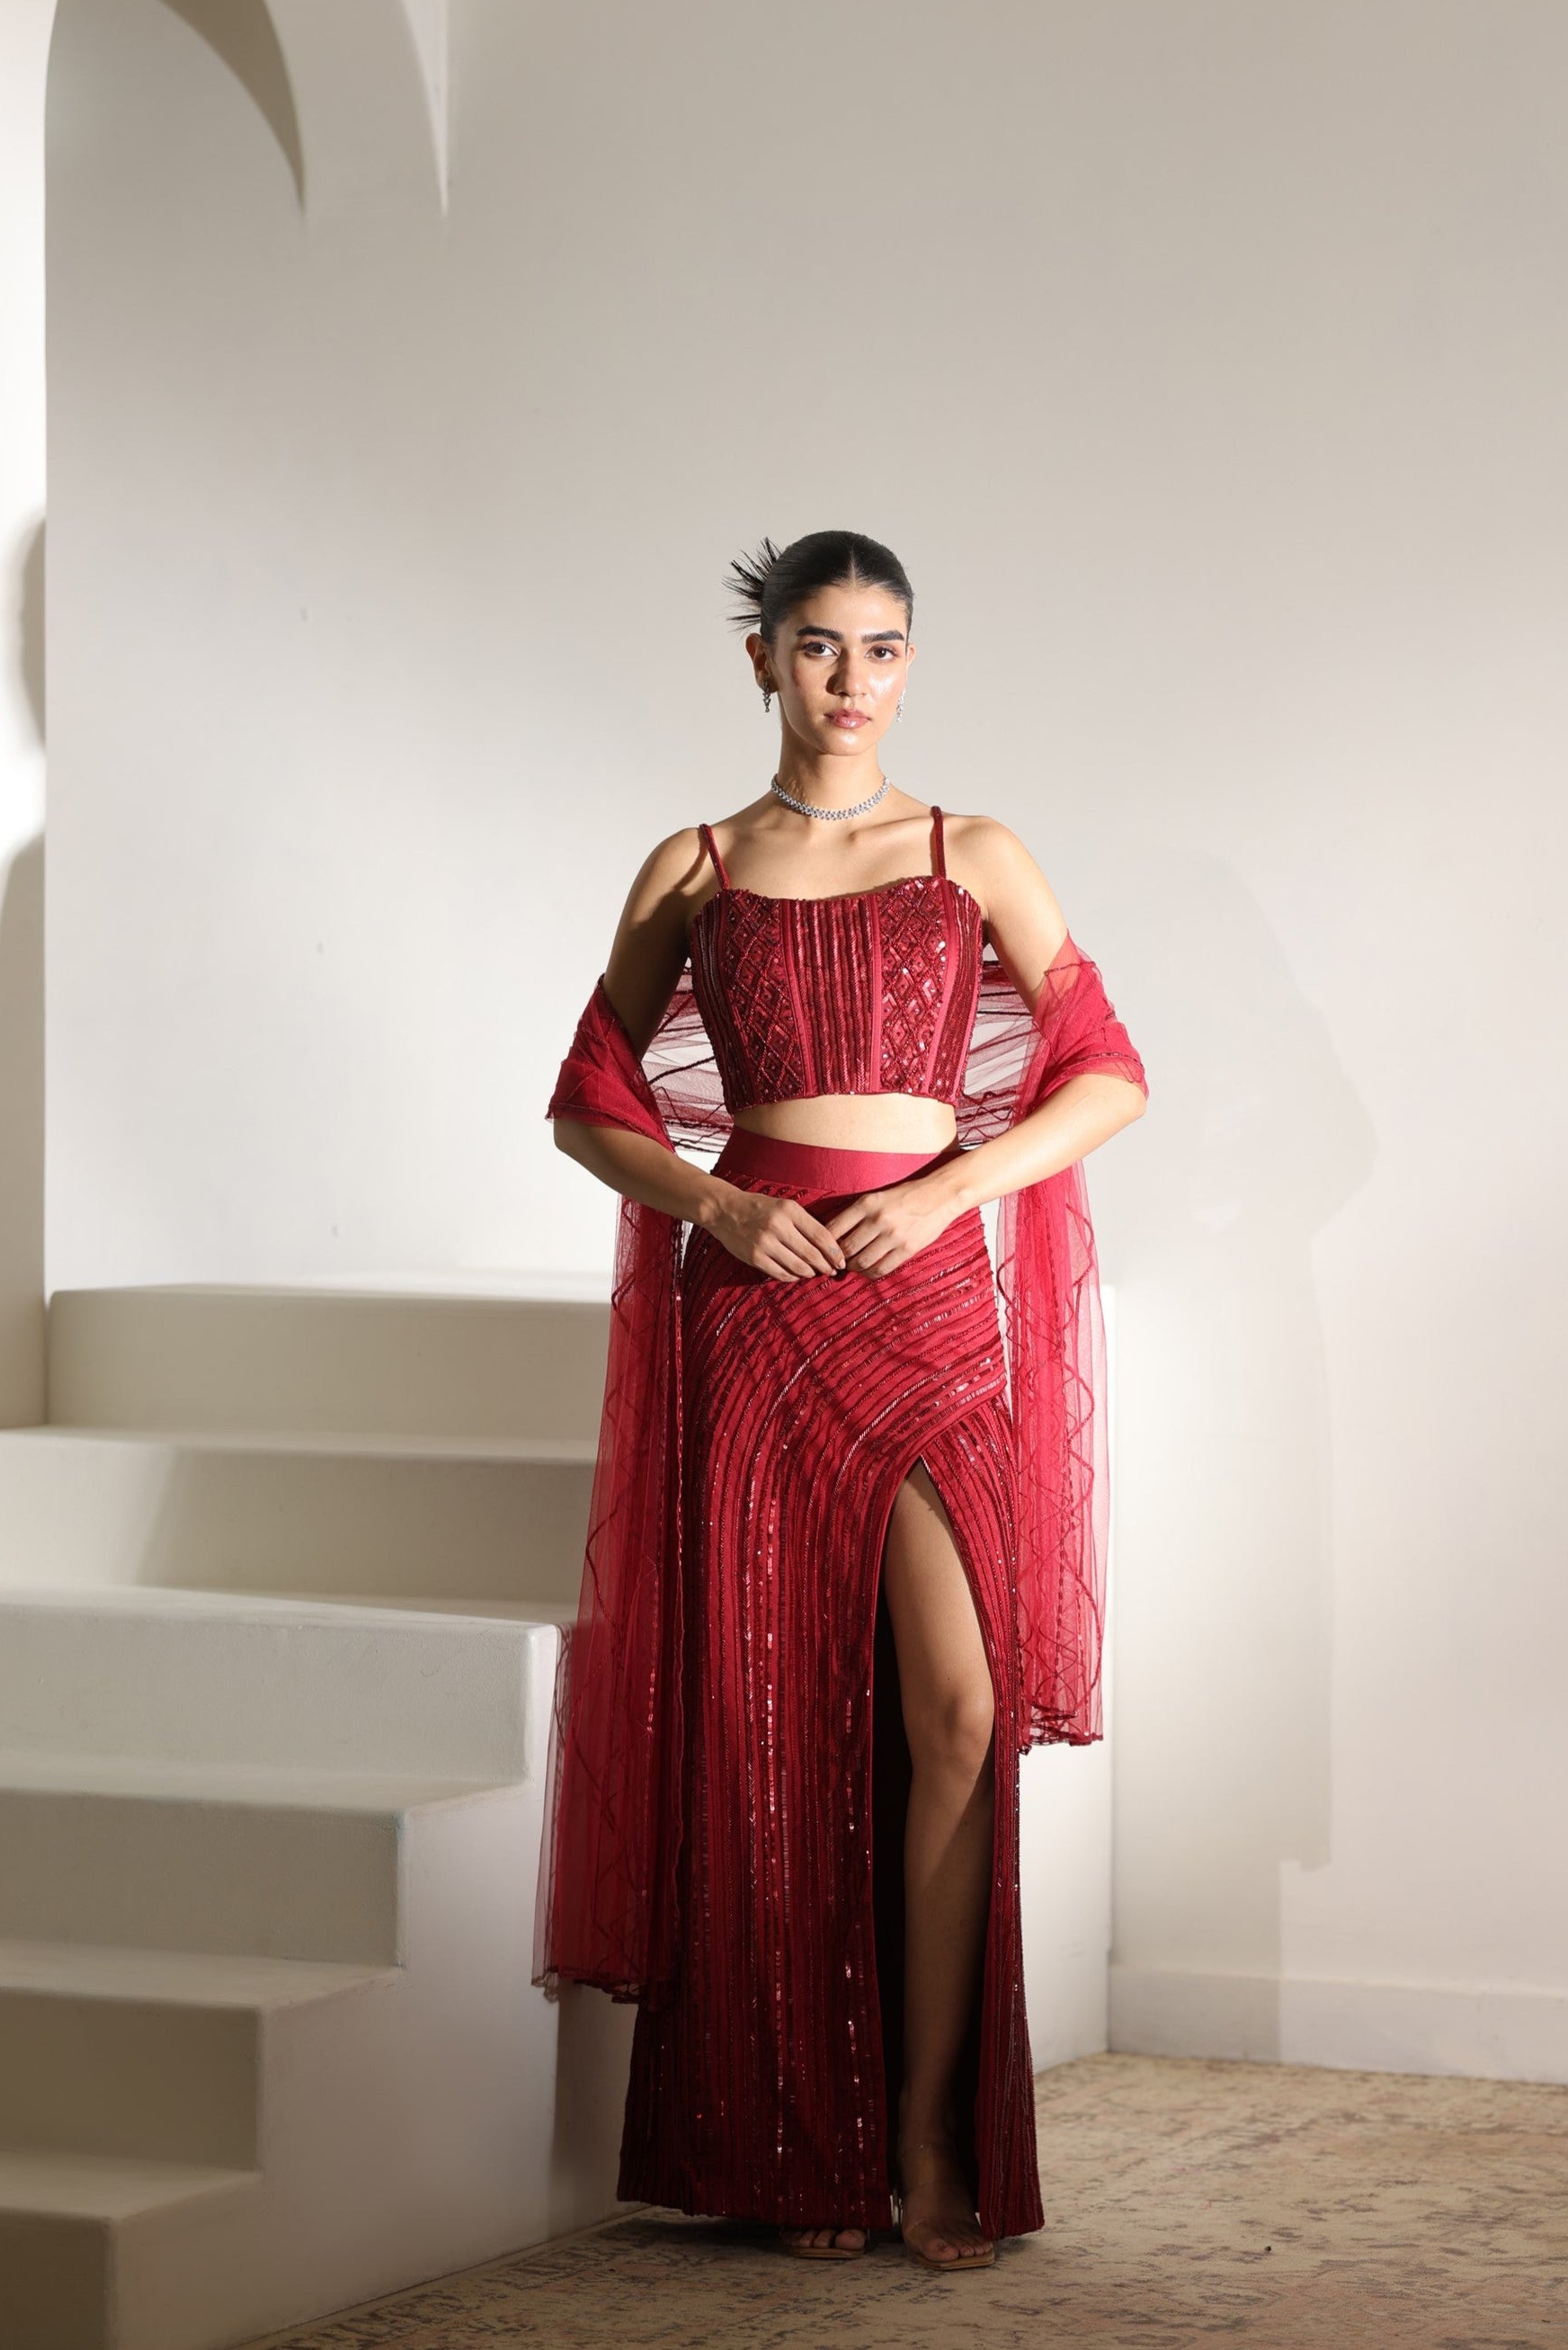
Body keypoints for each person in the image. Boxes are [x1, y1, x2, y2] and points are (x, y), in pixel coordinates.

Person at [533, 530, 1147, 2271]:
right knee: (775, 1732)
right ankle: (800, 2142)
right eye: (819, 647)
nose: (853, 681)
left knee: (954, 1704)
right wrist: (718, 1206)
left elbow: (1107, 1071)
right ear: (761, 661)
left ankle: (935, 2131)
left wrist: (954, 1188)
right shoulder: (696, 865)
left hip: (930, 1303)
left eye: (883, 649)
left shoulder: (972, 854)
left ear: (908, 665)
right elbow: (587, 1102)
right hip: (758, 1317)